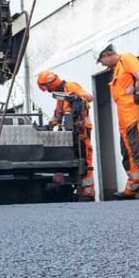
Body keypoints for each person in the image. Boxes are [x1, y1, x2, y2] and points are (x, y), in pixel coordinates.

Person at [96, 43, 139, 199]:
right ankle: (133, 185)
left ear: (106, 55)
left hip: (136, 115)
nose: (102, 64)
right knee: (128, 152)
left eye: (101, 61)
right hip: (125, 119)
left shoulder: (127, 59)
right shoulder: (117, 67)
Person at [37, 71, 95, 200]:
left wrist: (77, 97)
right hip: (73, 130)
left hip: (82, 129)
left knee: (85, 158)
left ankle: (88, 192)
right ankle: (81, 189)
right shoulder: (61, 94)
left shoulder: (70, 86)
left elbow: (89, 97)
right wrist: (49, 126)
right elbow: (59, 113)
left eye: (46, 87)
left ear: (51, 83)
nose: (46, 91)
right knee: (77, 159)